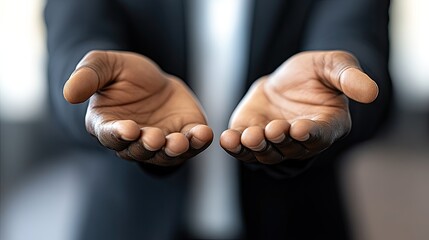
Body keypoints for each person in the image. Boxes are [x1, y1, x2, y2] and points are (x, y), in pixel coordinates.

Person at [44, 0, 392, 239]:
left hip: (296, 222)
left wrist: (334, 99)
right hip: (129, 222)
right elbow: (72, 47)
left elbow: (362, 57)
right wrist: (99, 97)